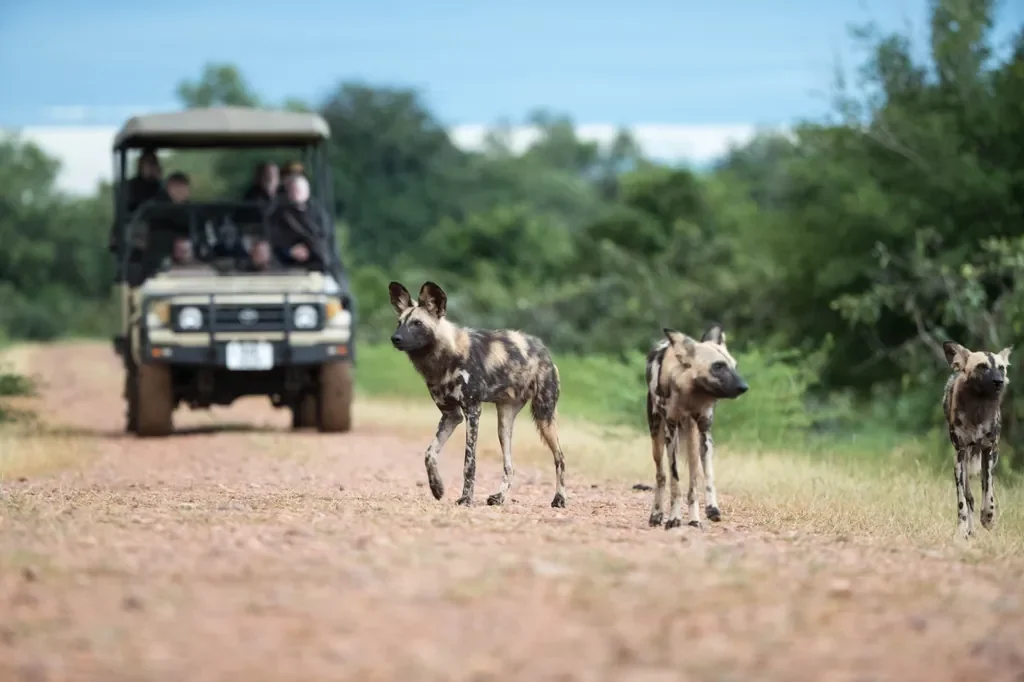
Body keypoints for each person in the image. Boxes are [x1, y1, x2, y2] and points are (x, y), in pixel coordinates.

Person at [269, 173, 325, 269]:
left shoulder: (318, 215)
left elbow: (324, 239)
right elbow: (274, 241)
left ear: (307, 192)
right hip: (285, 267)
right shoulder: (278, 215)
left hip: (316, 267)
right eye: (293, 190)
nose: (296, 193)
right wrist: (289, 251)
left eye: (299, 190)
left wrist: (309, 250)